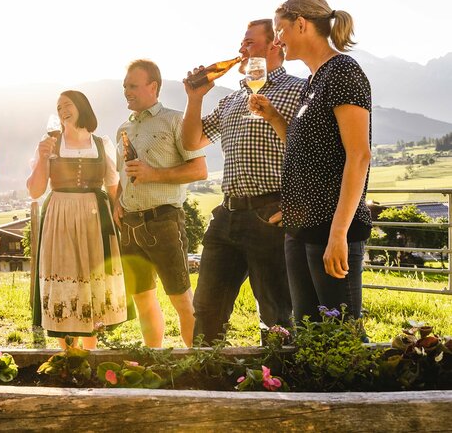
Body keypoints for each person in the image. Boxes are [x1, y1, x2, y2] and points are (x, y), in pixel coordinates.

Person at [250, 0, 372, 324]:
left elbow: (359, 155)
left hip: (330, 230)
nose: (277, 40)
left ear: (301, 25)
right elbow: (304, 152)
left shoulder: (343, 72)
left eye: (280, 30)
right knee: (309, 335)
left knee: (341, 337)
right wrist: (275, 117)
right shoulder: (313, 81)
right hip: (302, 229)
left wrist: (339, 234)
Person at [181, 19, 305, 345]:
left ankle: (281, 387)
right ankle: (205, 388)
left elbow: (315, 150)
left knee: (277, 316)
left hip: (271, 214)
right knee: (206, 310)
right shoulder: (232, 100)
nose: (241, 50)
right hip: (226, 216)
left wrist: (297, 203)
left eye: (249, 43)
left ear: (274, 45)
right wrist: (195, 98)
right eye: (242, 43)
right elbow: (191, 140)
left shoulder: (298, 90)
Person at [115, 59, 207, 348]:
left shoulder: (176, 120)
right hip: (129, 224)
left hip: (163, 220)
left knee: (180, 298)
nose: (126, 91)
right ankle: (152, 360)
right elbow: (122, 174)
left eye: (132, 85)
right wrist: (118, 200)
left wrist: (153, 174)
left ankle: (196, 363)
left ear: (153, 86)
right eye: (124, 86)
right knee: (142, 298)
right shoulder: (123, 129)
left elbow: (199, 170)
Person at [27, 90, 128, 350]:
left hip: (95, 217)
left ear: (82, 107)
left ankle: (90, 350)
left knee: (93, 280)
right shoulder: (50, 143)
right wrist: (41, 158)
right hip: (59, 214)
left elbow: (113, 184)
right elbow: (35, 191)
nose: (62, 111)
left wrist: (119, 214)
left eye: (67, 105)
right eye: (58, 108)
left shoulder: (100, 143)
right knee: (62, 274)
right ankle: (67, 352)